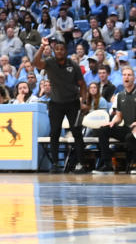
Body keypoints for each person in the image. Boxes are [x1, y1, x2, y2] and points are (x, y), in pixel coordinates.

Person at [33, 36, 89, 173]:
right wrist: (42, 47)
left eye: (61, 49)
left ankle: (81, 164)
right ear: (53, 50)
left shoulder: (73, 65)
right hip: (56, 103)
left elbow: (82, 85)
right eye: (56, 49)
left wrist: (84, 102)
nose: (59, 51)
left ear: (66, 51)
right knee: (54, 132)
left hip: (73, 103)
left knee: (77, 133)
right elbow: (35, 62)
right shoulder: (50, 62)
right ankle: (56, 164)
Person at [96, 65, 136, 172]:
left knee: (130, 137)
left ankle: (133, 164)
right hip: (128, 128)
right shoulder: (120, 95)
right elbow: (119, 116)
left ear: (134, 78)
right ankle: (107, 163)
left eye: (129, 75)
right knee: (103, 130)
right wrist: (112, 122)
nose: (126, 77)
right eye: (124, 75)